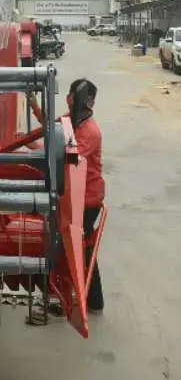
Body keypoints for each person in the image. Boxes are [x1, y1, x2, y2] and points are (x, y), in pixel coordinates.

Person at [68, 77, 105, 314]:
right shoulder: (73, 121)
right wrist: (34, 105)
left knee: (79, 248)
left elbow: (71, 158)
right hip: (75, 194)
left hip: (87, 199)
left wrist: (39, 154)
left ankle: (92, 300)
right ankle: (89, 299)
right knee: (78, 247)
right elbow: (53, 127)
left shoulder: (90, 131)